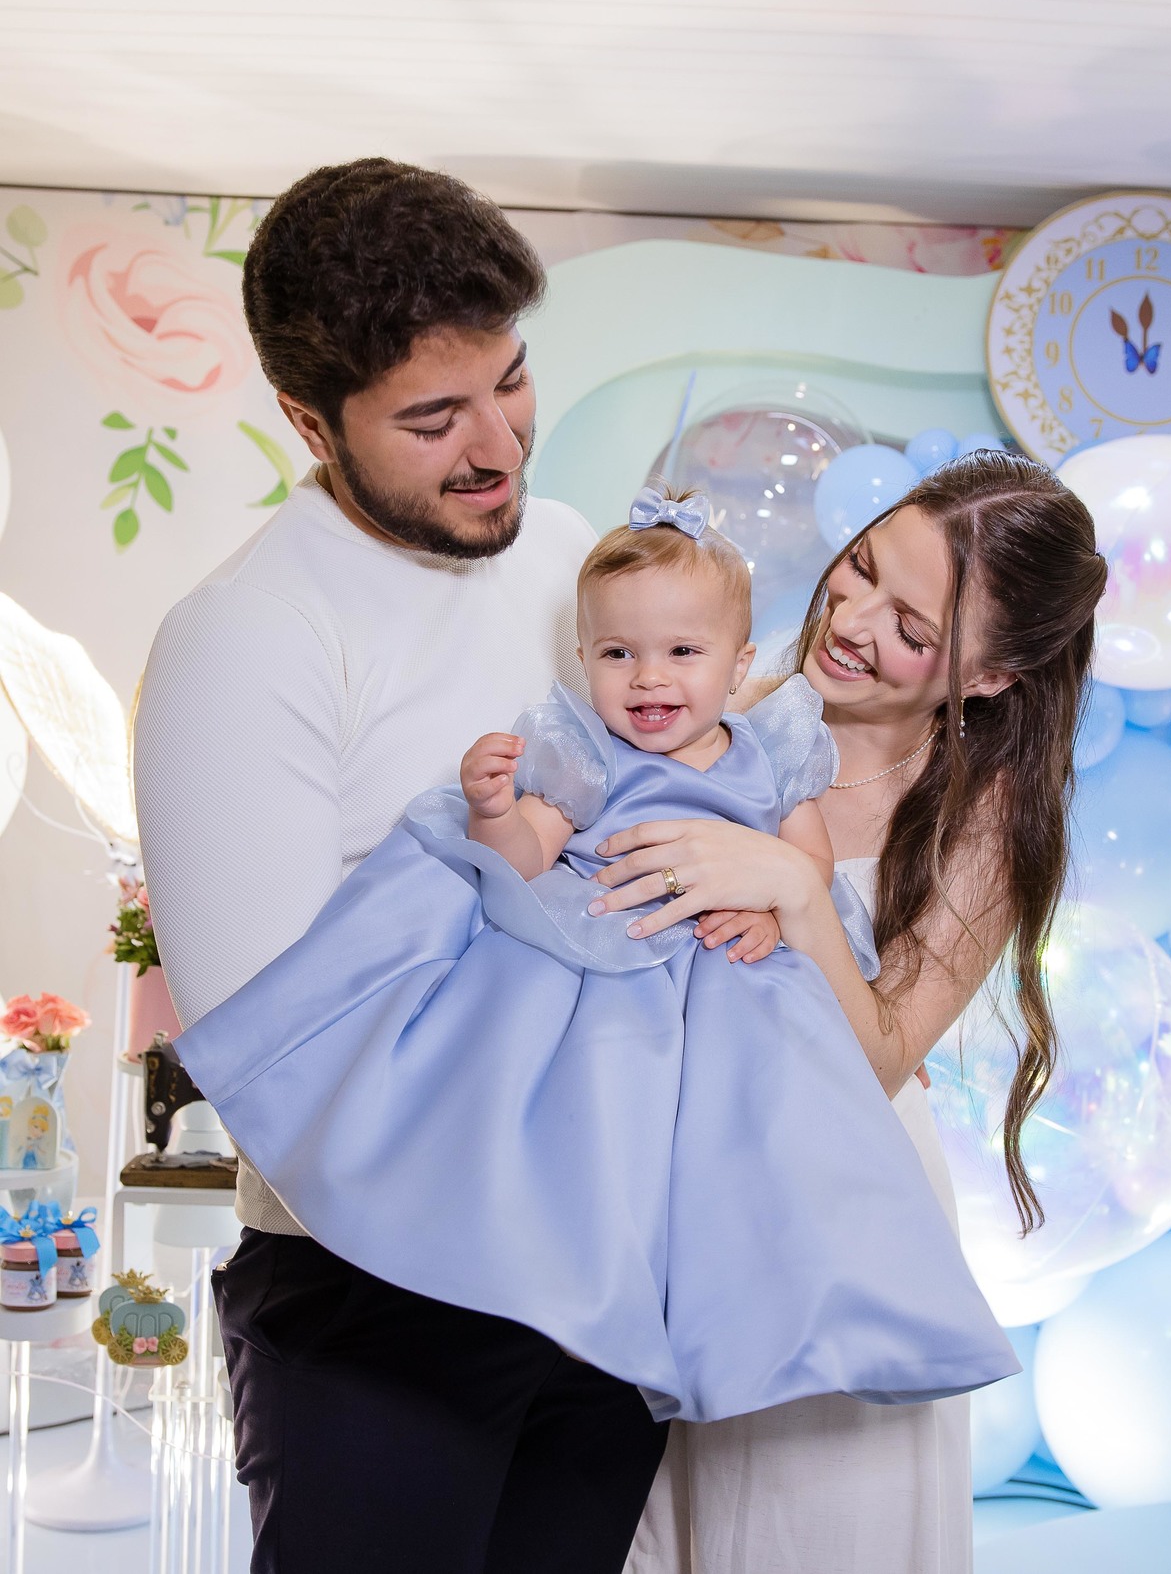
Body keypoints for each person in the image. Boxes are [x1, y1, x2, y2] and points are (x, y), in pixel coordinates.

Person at [174, 485, 1016, 1427]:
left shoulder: (778, 753)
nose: (650, 679)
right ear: (585, 658)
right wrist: (493, 809)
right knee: (578, 1115)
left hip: (731, 1015)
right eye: (618, 655)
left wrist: (779, 909)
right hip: (608, 967)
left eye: (909, 623)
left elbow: (808, 870)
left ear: (734, 661)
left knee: (729, 1190)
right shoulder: (586, 750)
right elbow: (524, 853)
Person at [133, 158, 670, 1574]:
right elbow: (273, 1057)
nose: (497, 445)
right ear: (310, 420)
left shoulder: (567, 555)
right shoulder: (247, 638)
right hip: (378, 1294)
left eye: (511, 379)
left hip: (595, 1274)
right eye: (433, 419)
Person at [595, 450, 1109, 1574]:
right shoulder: (717, 707)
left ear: (987, 677)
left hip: (835, 1225)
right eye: (863, 567)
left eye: (912, 627)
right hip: (669, 1203)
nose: (853, 619)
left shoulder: (984, 819)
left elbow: (879, 1057)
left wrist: (796, 889)